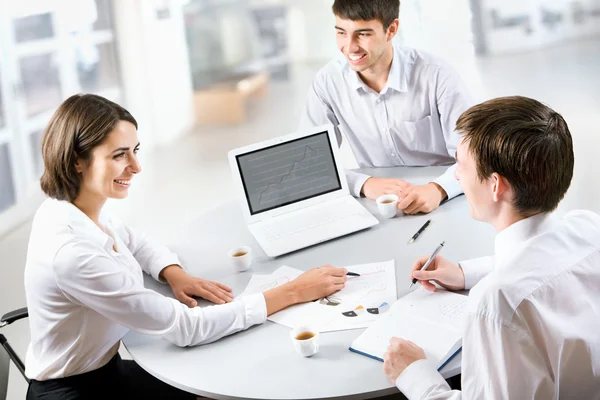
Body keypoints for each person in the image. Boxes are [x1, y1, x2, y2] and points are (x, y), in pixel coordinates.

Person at [24, 94, 348, 399]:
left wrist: (173, 272)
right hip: (78, 390)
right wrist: (291, 292)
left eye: (135, 150)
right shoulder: (71, 251)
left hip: (105, 368)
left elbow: (135, 242)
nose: (136, 167)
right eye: (119, 155)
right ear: (77, 161)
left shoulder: (76, 206)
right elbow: (186, 328)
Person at [383, 96, 600, 399]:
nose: (456, 175)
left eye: (461, 165)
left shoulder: (496, 303)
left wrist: (415, 374)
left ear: (496, 185)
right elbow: (546, 264)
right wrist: (463, 273)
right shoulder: (588, 226)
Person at [300, 0, 472, 215]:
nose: (350, 46)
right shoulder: (328, 82)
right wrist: (364, 184)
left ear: (391, 30)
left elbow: (475, 154)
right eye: (341, 32)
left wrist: (439, 189)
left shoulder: (436, 75)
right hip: (376, 201)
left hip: (446, 195)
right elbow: (310, 163)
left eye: (363, 34)